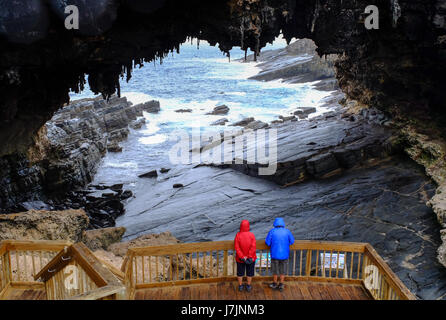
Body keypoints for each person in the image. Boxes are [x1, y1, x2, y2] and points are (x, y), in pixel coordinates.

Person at [265, 218, 294, 292]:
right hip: (284, 254)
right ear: (283, 223)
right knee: (283, 270)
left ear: (275, 223)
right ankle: (281, 284)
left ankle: (274, 283)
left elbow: (267, 242)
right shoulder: (287, 231)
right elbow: (292, 241)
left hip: (275, 254)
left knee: (275, 270)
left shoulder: (272, 231)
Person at [234, 220, 257, 292]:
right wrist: (249, 256)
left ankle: (240, 285)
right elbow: (253, 246)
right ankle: (248, 285)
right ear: (248, 226)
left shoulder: (238, 235)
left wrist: (242, 256)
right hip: (251, 258)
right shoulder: (252, 235)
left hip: (240, 258)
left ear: (241, 226)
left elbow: (236, 247)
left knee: (240, 273)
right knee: (250, 272)